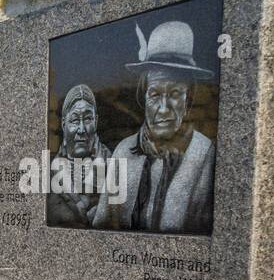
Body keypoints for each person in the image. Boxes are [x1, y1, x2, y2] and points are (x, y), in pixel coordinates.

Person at [91, 21, 215, 234]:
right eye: (155, 95)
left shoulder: (204, 154)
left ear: (188, 100)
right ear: (144, 98)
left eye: (175, 94)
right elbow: (102, 228)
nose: (164, 109)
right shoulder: (124, 150)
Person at [48, 84, 111, 228]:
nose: (81, 129)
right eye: (75, 120)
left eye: (88, 119)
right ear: (64, 124)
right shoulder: (49, 171)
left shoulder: (113, 165)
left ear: (96, 121)